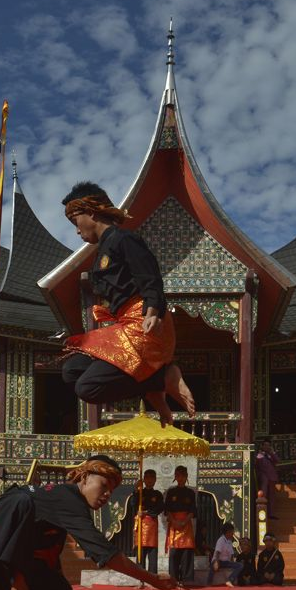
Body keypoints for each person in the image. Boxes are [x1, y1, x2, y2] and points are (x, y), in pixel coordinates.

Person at [0, 455, 176, 590]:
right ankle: (5, 585)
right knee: (21, 502)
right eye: (103, 486)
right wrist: (152, 579)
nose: (106, 495)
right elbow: (104, 552)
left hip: (1, 554)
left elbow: (49, 551)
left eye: (111, 491)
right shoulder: (68, 499)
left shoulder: (69, 506)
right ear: (84, 478)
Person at [59, 181, 194, 426]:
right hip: (123, 325)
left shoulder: (123, 239)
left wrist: (152, 309)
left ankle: (163, 378)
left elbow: (149, 275)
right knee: (72, 370)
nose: (76, 230)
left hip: (143, 323)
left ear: (90, 212)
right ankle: (154, 385)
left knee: (88, 388)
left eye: (74, 221)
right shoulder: (102, 250)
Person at [127, 469, 163, 581]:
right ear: (144, 479)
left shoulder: (157, 494)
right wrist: (136, 489)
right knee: (140, 553)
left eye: (152, 477)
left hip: (151, 525)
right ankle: (140, 579)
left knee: (152, 553)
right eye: (147, 477)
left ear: (155, 480)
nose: (150, 480)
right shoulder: (139, 493)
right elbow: (133, 504)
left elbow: (159, 508)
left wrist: (146, 512)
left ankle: (152, 579)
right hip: (141, 525)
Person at [164, 465, 196, 585]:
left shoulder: (191, 493)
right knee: (174, 553)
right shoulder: (171, 492)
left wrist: (184, 521)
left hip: (186, 524)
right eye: (178, 475)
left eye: (183, 475)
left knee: (187, 552)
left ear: (187, 476)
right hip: (174, 524)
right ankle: (174, 579)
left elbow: (193, 510)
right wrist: (174, 521)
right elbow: (167, 510)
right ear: (175, 477)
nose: (180, 478)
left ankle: (187, 579)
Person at [206, 522, 245, 587]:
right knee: (213, 565)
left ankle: (230, 580)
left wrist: (232, 564)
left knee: (240, 565)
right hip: (218, 560)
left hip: (226, 562)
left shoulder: (229, 541)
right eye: (232, 532)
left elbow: (232, 554)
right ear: (228, 532)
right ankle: (209, 583)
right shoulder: (221, 540)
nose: (233, 534)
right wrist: (216, 562)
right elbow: (217, 552)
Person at [255, 439, 279, 519]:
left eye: (268, 445)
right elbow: (257, 467)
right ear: (262, 446)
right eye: (265, 445)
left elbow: (277, 461)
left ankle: (271, 514)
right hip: (264, 478)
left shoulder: (270, 455)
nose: (267, 447)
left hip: (272, 478)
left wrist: (272, 452)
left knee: (272, 497)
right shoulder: (259, 455)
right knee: (263, 495)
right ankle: (263, 514)